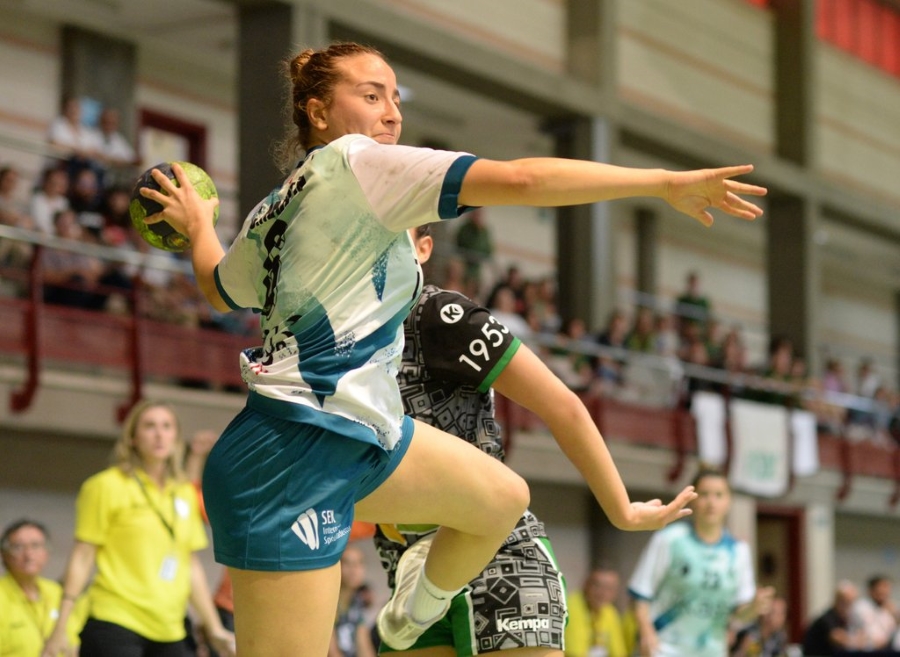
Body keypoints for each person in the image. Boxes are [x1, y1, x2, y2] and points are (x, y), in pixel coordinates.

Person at [135, 41, 767, 657]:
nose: (392, 112)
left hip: (357, 442)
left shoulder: (274, 209)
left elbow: (220, 287)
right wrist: (660, 183)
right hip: (291, 457)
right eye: (371, 94)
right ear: (319, 113)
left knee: (501, 497)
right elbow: (521, 177)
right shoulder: (361, 162)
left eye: (396, 99)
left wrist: (199, 228)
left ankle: (415, 606)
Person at [40, 400, 235, 657]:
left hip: (170, 625)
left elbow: (190, 565)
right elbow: (83, 556)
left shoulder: (183, 492)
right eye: (149, 426)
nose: (159, 434)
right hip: (116, 619)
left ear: (176, 438)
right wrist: (61, 626)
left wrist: (214, 628)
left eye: (167, 426)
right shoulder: (105, 486)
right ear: (132, 437)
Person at [628, 466, 775, 657]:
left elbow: (738, 615)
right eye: (704, 494)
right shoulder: (670, 539)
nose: (711, 502)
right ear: (693, 500)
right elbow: (640, 593)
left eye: (719, 495)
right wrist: (646, 633)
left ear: (729, 501)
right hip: (664, 649)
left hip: (711, 651)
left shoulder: (739, 551)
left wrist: (754, 608)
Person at [0, 519, 85, 657]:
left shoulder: (57, 592)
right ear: (4, 554)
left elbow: (74, 642)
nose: (28, 555)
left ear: (46, 552)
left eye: (35, 546)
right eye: (18, 547)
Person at [566, 567, 629, 657]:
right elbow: (575, 654)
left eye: (610, 588)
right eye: (598, 586)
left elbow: (619, 653)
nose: (603, 593)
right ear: (585, 584)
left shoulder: (610, 611)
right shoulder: (571, 607)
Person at [331, 544, 376, 657]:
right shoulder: (329, 603)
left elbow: (364, 645)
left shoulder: (357, 602)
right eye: (348, 563)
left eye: (359, 563)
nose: (354, 570)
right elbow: (331, 652)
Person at [801, 580, 864, 656]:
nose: (850, 606)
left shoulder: (849, 617)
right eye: (847, 602)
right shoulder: (827, 618)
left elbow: (862, 638)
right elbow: (838, 639)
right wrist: (853, 640)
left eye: (852, 602)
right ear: (838, 600)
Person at [850, 575, 899, 652]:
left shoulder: (889, 608)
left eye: (887, 587)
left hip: (886, 651)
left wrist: (895, 616)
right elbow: (871, 633)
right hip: (864, 652)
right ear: (871, 590)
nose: (885, 591)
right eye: (882, 587)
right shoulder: (861, 606)